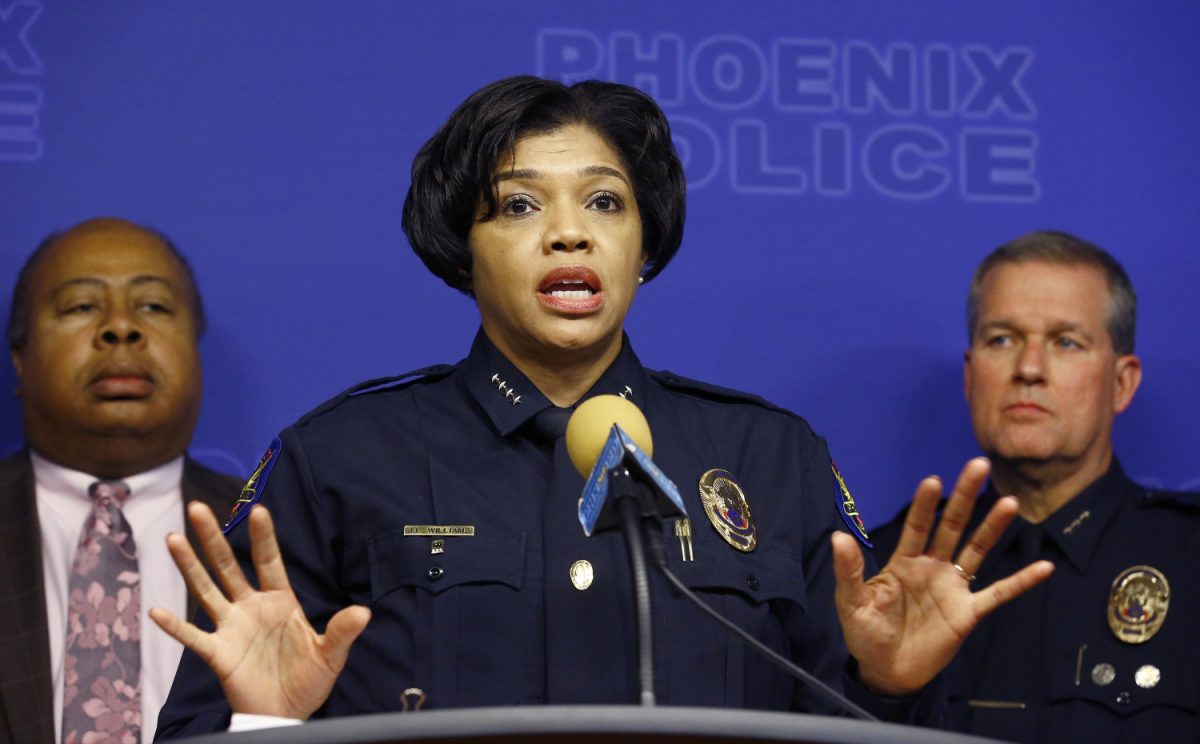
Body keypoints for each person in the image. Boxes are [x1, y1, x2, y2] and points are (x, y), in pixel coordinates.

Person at [153, 77, 1051, 737]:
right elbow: (196, 729)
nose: (570, 231)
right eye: (517, 205)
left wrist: (887, 684)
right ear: (460, 249)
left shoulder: (770, 458)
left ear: (644, 243)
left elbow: (842, 725)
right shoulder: (339, 458)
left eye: (605, 202)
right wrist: (262, 726)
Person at [871, 230, 1200, 742]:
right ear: (970, 376)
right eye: (1001, 339)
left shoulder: (1191, 555)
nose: (1028, 369)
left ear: (1122, 383)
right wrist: (886, 690)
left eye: (1066, 342)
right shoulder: (891, 569)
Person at [0, 218, 241, 744]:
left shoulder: (278, 531)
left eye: (153, 306)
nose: (121, 328)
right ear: (19, 358)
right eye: (81, 306)